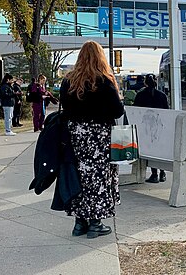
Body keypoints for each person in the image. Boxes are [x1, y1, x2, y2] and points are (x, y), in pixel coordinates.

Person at [59, 41, 124, 239]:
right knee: (99, 177)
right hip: (99, 136)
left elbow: (65, 108)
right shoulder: (104, 81)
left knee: (78, 175)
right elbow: (117, 111)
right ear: (100, 57)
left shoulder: (68, 81)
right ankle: (96, 222)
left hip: (76, 135)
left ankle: (80, 223)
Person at [133, 74, 169, 183]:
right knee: (160, 149)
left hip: (147, 127)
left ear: (145, 83)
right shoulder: (162, 95)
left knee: (151, 150)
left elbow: (136, 111)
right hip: (159, 126)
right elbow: (166, 111)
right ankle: (162, 173)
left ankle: (154, 174)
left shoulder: (140, 95)